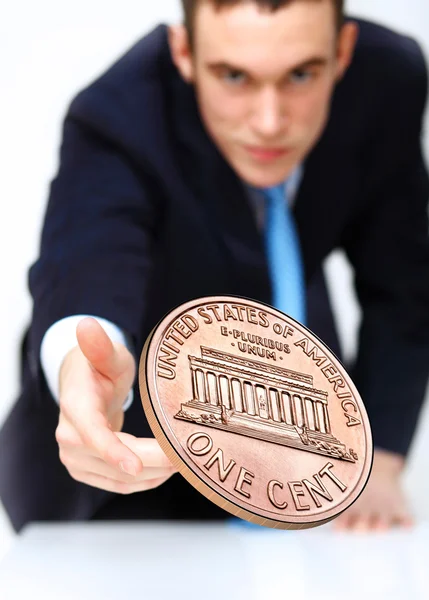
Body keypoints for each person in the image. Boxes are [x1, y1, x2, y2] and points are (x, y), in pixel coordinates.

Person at [0, 0, 428, 533]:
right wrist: (83, 369)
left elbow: (403, 280)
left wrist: (382, 456)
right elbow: (86, 252)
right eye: (233, 77)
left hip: (297, 435)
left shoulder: (388, 82)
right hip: (122, 458)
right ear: (184, 52)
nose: (270, 122)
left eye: (301, 74)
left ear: (342, 52)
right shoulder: (118, 113)